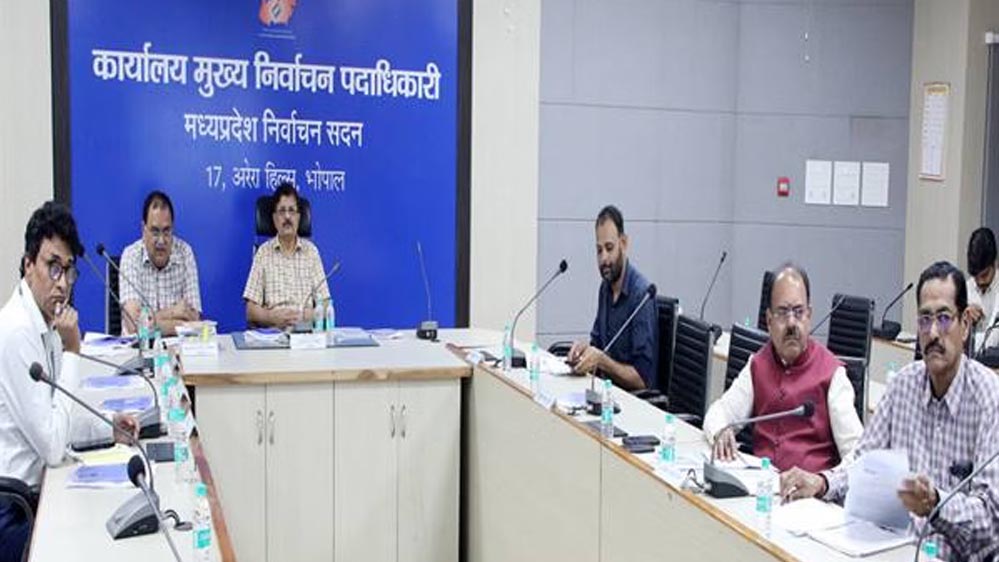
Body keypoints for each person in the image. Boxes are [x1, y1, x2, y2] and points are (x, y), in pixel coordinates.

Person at [780, 261, 999, 561]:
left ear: (964, 326)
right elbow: (862, 463)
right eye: (925, 319)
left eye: (944, 318)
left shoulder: (989, 397)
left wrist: (936, 503)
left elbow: (990, 518)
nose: (933, 332)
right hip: (894, 549)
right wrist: (823, 482)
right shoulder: (903, 386)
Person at [0, 202, 138, 562]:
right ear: (28, 265)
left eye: (68, 270)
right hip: (14, 510)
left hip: (42, 491)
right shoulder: (16, 332)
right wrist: (73, 351)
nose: (62, 283)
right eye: (52, 267)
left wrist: (109, 429)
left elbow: (59, 414)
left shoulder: (43, 323)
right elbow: (51, 444)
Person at [702, 264, 863, 472]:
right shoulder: (758, 364)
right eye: (783, 312)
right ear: (769, 321)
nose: (791, 323)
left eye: (799, 312)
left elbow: (859, 456)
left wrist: (823, 482)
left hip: (810, 489)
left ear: (809, 316)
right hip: (761, 485)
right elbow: (719, 412)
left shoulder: (833, 375)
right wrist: (720, 431)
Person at [567, 205, 657, 391]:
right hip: (604, 393)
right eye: (599, 250)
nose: (604, 259)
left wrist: (602, 361)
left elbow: (643, 379)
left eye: (609, 248)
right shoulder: (605, 288)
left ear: (623, 243)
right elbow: (597, 345)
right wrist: (583, 353)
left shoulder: (641, 296)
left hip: (630, 401)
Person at [244, 182, 330, 328]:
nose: (287, 216)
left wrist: (307, 316)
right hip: (273, 334)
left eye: (292, 210)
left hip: (306, 335)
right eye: (282, 211)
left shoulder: (311, 252)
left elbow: (326, 304)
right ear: (274, 218)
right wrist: (270, 317)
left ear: (299, 217)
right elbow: (250, 311)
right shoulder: (263, 253)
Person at [119, 190, 202, 336]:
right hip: (138, 347)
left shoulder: (185, 253)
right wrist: (173, 312)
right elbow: (133, 326)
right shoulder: (130, 256)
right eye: (155, 232)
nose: (161, 241)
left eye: (166, 231)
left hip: (177, 347)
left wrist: (150, 323)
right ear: (143, 229)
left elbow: (194, 321)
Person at [966, 227, 998, 349]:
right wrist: (964, 321)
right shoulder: (966, 289)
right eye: (975, 276)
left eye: (984, 275)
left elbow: (992, 341)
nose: (980, 281)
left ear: (995, 263)